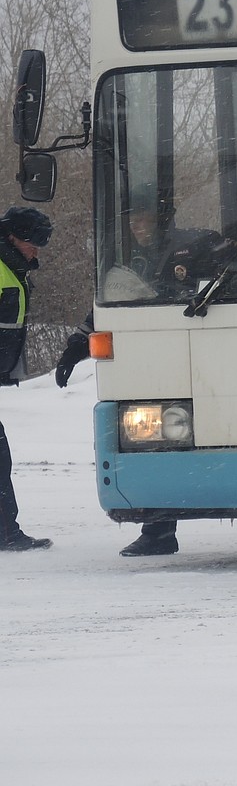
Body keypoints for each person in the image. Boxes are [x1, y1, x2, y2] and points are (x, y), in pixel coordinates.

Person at [55, 190, 182, 557]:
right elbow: (108, 306)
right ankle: (159, 530)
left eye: (143, 219)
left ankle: (160, 529)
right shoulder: (132, 259)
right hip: (145, 360)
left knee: (164, 439)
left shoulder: (184, 252)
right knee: (156, 439)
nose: (137, 227)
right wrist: (75, 348)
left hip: (178, 354)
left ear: (160, 220)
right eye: (132, 220)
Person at [0, 206, 54, 551]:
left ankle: (6, 531)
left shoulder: (13, 269)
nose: (35, 250)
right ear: (11, 238)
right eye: (31, 242)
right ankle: (6, 533)